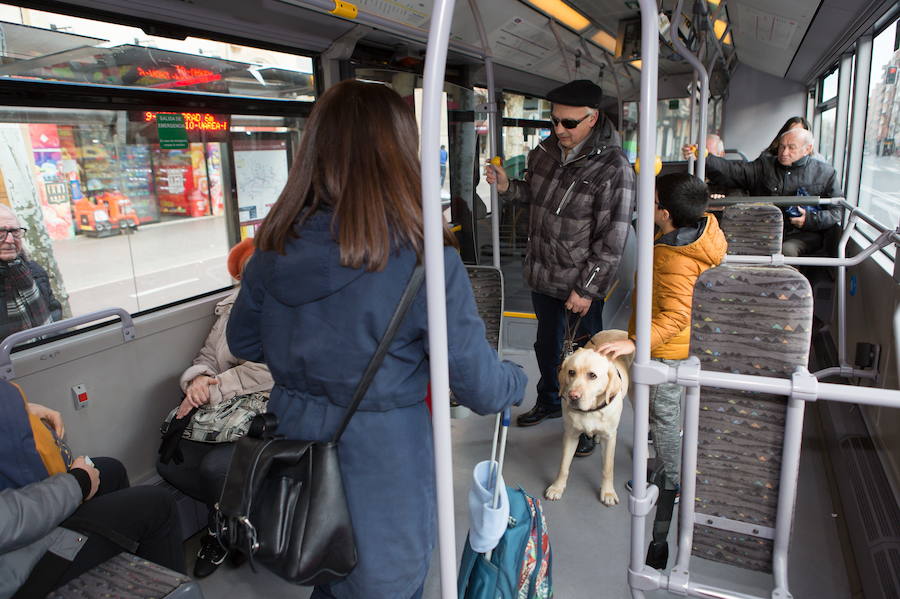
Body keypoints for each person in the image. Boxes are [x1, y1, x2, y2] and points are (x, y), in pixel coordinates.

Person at [226, 80, 526, 599]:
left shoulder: (271, 249)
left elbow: (245, 341)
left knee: (322, 571)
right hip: (381, 460)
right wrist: (515, 382)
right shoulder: (424, 260)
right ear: (398, 154)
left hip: (295, 447)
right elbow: (477, 384)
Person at [485, 79, 634, 456]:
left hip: (578, 282)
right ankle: (552, 400)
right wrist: (506, 188)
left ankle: (589, 421)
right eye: (554, 122)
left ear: (592, 118)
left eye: (569, 123)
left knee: (587, 356)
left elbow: (612, 237)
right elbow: (532, 197)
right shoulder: (546, 152)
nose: (559, 131)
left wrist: (586, 289)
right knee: (547, 345)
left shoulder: (613, 166)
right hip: (542, 272)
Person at [595, 173, 726, 495]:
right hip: (670, 344)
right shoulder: (688, 235)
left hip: (669, 350)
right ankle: (668, 464)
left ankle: (672, 482)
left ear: (665, 213)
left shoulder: (675, 258)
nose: (647, 202)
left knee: (664, 416)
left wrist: (634, 341)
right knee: (662, 414)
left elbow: (677, 315)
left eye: (652, 199)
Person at [0, 381, 184, 598]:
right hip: (16, 569)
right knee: (158, 505)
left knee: (110, 470)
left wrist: (25, 411)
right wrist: (77, 483)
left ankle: (120, 581)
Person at [156, 237, 273, 578]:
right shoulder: (229, 308)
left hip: (268, 408)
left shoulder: (286, 312)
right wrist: (197, 380)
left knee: (215, 468)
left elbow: (272, 370)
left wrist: (216, 386)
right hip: (221, 406)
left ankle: (221, 532)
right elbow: (208, 356)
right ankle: (233, 517)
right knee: (170, 462)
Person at [682, 127, 840, 257]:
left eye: (791, 148)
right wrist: (705, 157)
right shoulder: (764, 166)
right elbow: (733, 171)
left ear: (808, 149)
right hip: (763, 229)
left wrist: (810, 219)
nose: (784, 152)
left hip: (801, 233)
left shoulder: (825, 174)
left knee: (787, 251)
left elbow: (837, 211)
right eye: (782, 146)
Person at [0, 204, 61, 341]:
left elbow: (55, 313)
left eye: (15, 232)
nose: (10, 240)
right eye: (0, 233)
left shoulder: (34, 271)